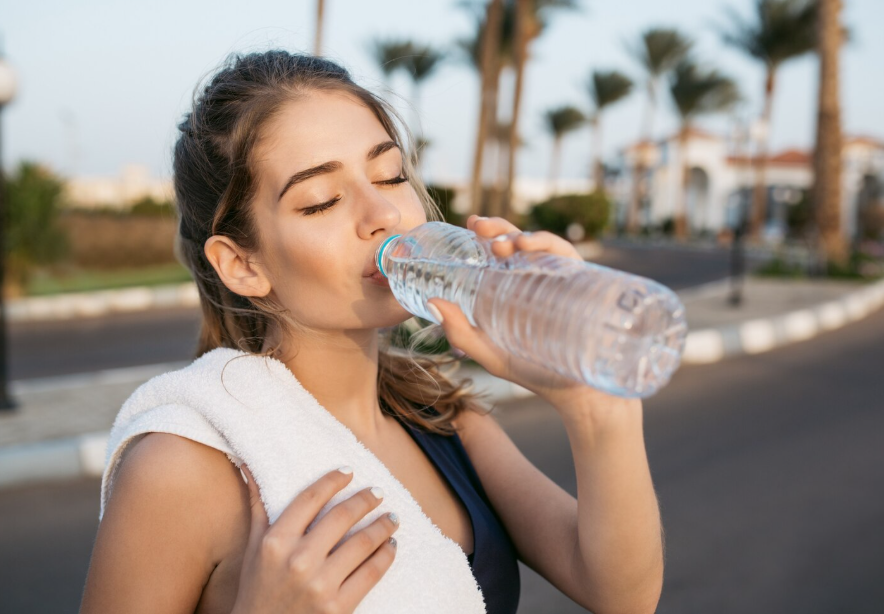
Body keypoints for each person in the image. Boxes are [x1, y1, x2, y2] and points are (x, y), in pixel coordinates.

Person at [79, 50, 663, 614]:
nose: (382, 214)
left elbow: (620, 594)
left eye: (388, 174)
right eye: (322, 201)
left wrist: (595, 403)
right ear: (242, 264)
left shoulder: (443, 419)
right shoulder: (182, 469)